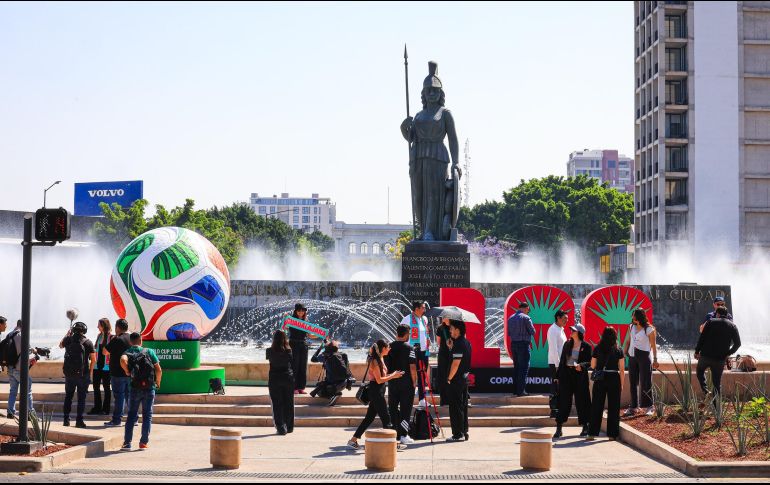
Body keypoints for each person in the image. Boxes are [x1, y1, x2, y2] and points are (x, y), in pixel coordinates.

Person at [400, 60, 461, 242]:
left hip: (437, 157)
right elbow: (411, 138)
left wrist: (456, 162)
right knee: (418, 197)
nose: (432, 94)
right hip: (417, 157)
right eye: (429, 91)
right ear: (424, 93)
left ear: (441, 93)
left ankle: (429, 231)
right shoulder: (418, 115)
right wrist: (404, 127)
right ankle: (422, 230)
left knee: (433, 196)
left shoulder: (445, 113)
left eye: (435, 90)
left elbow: (453, 139)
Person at [347, 340, 404, 450]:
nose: (389, 349)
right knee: (386, 418)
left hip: (378, 390)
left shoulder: (380, 358)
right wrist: (393, 376)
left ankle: (353, 440)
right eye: (388, 347)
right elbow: (379, 380)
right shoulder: (375, 361)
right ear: (383, 349)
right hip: (376, 391)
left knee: (369, 418)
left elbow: (382, 376)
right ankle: (393, 444)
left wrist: (394, 374)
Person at [120, 332, 163, 450]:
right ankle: (143, 443)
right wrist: (158, 382)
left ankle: (127, 443)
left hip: (134, 388)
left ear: (130, 341)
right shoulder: (149, 352)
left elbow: (123, 360)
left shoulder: (127, 352)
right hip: (149, 387)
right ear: (141, 340)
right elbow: (158, 369)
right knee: (147, 415)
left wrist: (127, 371)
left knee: (131, 415)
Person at [553, 323, 592, 441]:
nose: (571, 331)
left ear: (579, 333)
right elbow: (562, 361)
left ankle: (585, 426)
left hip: (579, 376)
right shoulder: (567, 344)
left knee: (582, 401)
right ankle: (559, 428)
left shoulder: (586, 346)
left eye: (574, 330)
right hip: (566, 375)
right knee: (564, 401)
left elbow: (589, 362)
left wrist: (582, 366)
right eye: (571, 330)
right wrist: (557, 376)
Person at [587, 326, 625, 441]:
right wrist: (621, 384)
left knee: (596, 406)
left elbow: (592, 365)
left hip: (600, 378)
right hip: (614, 378)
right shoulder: (618, 349)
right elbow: (622, 369)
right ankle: (612, 435)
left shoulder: (598, 348)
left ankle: (592, 433)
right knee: (614, 407)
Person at [695, 306, 741, 398]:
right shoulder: (732, 326)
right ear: (727, 315)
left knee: (700, 371)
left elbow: (702, 338)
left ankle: (706, 391)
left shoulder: (710, 322)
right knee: (717, 383)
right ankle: (717, 406)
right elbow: (738, 344)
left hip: (706, 356)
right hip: (720, 359)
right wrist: (728, 353)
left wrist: (697, 351)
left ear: (717, 314)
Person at [385, 324, 418, 446]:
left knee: (392, 409)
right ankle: (404, 435)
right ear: (406, 334)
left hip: (392, 382)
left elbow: (385, 365)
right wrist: (414, 382)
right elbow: (412, 367)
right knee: (405, 409)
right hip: (406, 383)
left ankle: (393, 433)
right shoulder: (410, 348)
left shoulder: (389, 347)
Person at [59, 321, 96, 428]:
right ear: (84, 331)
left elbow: (60, 345)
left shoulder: (68, 340)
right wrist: (90, 373)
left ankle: (66, 420)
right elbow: (93, 359)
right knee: (81, 399)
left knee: (68, 397)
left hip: (69, 374)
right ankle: (79, 421)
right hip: (83, 375)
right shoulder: (88, 342)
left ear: (73, 330)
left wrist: (67, 334)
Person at [623, 309, 658, 418]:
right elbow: (628, 341)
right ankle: (634, 406)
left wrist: (655, 359)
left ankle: (649, 406)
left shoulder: (649, 329)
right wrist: (624, 353)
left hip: (644, 357)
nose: (632, 318)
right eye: (632, 316)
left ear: (639, 317)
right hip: (632, 356)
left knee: (646, 381)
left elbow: (654, 346)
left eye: (634, 316)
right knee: (633, 382)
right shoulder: (631, 327)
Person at [3, 319, 36, 420]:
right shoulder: (21, 335)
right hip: (20, 369)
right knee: (28, 391)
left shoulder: (9, 335)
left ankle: (10, 412)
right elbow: (27, 351)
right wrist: (34, 351)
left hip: (10, 368)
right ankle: (30, 414)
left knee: (13, 391)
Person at [400, 301, 431, 407]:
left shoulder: (424, 319)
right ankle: (407, 399)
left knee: (422, 375)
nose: (425, 310)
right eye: (423, 308)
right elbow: (401, 335)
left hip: (424, 351)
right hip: (412, 351)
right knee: (410, 375)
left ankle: (422, 399)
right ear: (416, 309)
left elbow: (425, 334)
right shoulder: (407, 319)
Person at [445, 320, 472, 442]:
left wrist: (449, 378)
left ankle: (458, 434)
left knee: (455, 407)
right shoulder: (466, 342)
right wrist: (451, 347)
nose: (450, 331)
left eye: (451, 328)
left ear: (457, 330)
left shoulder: (459, 344)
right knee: (462, 406)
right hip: (464, 379)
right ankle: (464, 431)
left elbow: (455, 364)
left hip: (456, 380)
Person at [103, 319, 132, 427]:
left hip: (117, 373)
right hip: (130, 372)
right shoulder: (131, 338)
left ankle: (117, 420)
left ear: (117, 328)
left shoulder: (117, 339)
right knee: (129, 396)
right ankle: (134, 419)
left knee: (119, 397)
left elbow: (105, 352)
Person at [266, 329, 294, 435]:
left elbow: (271, 361)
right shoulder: (289, 350)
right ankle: (289, 427)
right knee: (289, 402)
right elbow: (291, 362)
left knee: (277, 404)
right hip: (287, 377)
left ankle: (281, 427)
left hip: (274, 378)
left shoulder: (269, 351)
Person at [310, 339, 351, 407]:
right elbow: (347, 369)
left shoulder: (325, 356)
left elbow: (313, 359)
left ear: (327, 348)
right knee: (329, 384)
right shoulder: (343, 355)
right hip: (344, 383)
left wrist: (320, 348)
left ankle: (331, 396)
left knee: (318, 387)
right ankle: (335, 393)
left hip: (332, 385)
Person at [508, 302, 535, 397]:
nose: (528, 312)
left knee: (516, 367)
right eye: (528, 310)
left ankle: (515, 390)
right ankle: (521, 391)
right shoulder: (526, 318)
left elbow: (509, 333)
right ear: (526, 308)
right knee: (523, 368)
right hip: (523, 344)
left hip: (513, 344)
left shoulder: (510, 318)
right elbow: (533, 331)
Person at [547, 310, 569, 417]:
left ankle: (559, 408)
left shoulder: (561, 329)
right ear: (558, 318)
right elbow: (553, 350)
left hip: (561, 363)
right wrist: (557, 366)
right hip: (555, 363)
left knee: (560, 386)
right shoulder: (553, 330)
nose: (566, 321)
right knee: (555, 386)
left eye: (567, 319)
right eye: (564, 318)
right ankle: (554, 410)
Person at [89, 318, 113, 416]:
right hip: (97, 366)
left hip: (106, 367)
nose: (97, 327)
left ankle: (106, 409)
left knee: (106, 388)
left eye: (99, 325)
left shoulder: (111, 337)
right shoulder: (99, 335)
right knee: (96, 387)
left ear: (104, 326)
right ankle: (97, 407)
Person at [287, 304, 312, 395]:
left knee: (303, 366)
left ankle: (301, 387)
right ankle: (294, 387)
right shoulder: (291, 320)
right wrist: (285, 318)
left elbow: (309, 335)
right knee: (295, 365)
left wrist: (322, 335)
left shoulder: (306, 321)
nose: (301, 312)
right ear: (295, 311)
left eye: (303, 310)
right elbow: (285, 328)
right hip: (294, 344)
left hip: (303, 345)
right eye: (299, 310)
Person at [435, 317, 452, 406]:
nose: (443, 318)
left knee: (451, 375)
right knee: (443, 376)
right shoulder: (440, 328)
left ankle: (450, 398)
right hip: (443, 354)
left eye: (445, 316)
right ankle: (444, 399)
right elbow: (438, 342)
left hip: (452, 354)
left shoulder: (454, 327)